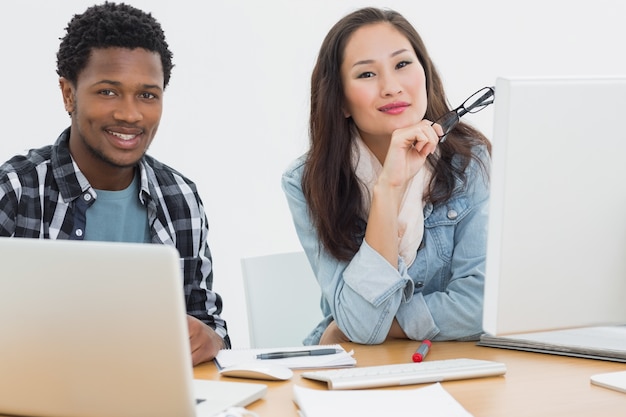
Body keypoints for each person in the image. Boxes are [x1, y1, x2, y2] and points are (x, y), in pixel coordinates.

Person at [0, 2, 229, 364]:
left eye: (147, 95)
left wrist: (210, 339)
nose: (130, 114)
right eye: (108, 91)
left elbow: (211, 324)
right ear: (69, 94)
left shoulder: (180, 198)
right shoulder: (15, 191)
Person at [282, 7, 491, 345]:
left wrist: (386, 326)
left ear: (425, 73)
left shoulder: (469, 162)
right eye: (366, 74)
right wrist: (388, 188)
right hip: (357, 370)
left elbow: (480, 308)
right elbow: (362, 325)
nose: (392, 87)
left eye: (402, 64)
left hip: (453, 365)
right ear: (341, 101)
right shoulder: (307, 180)